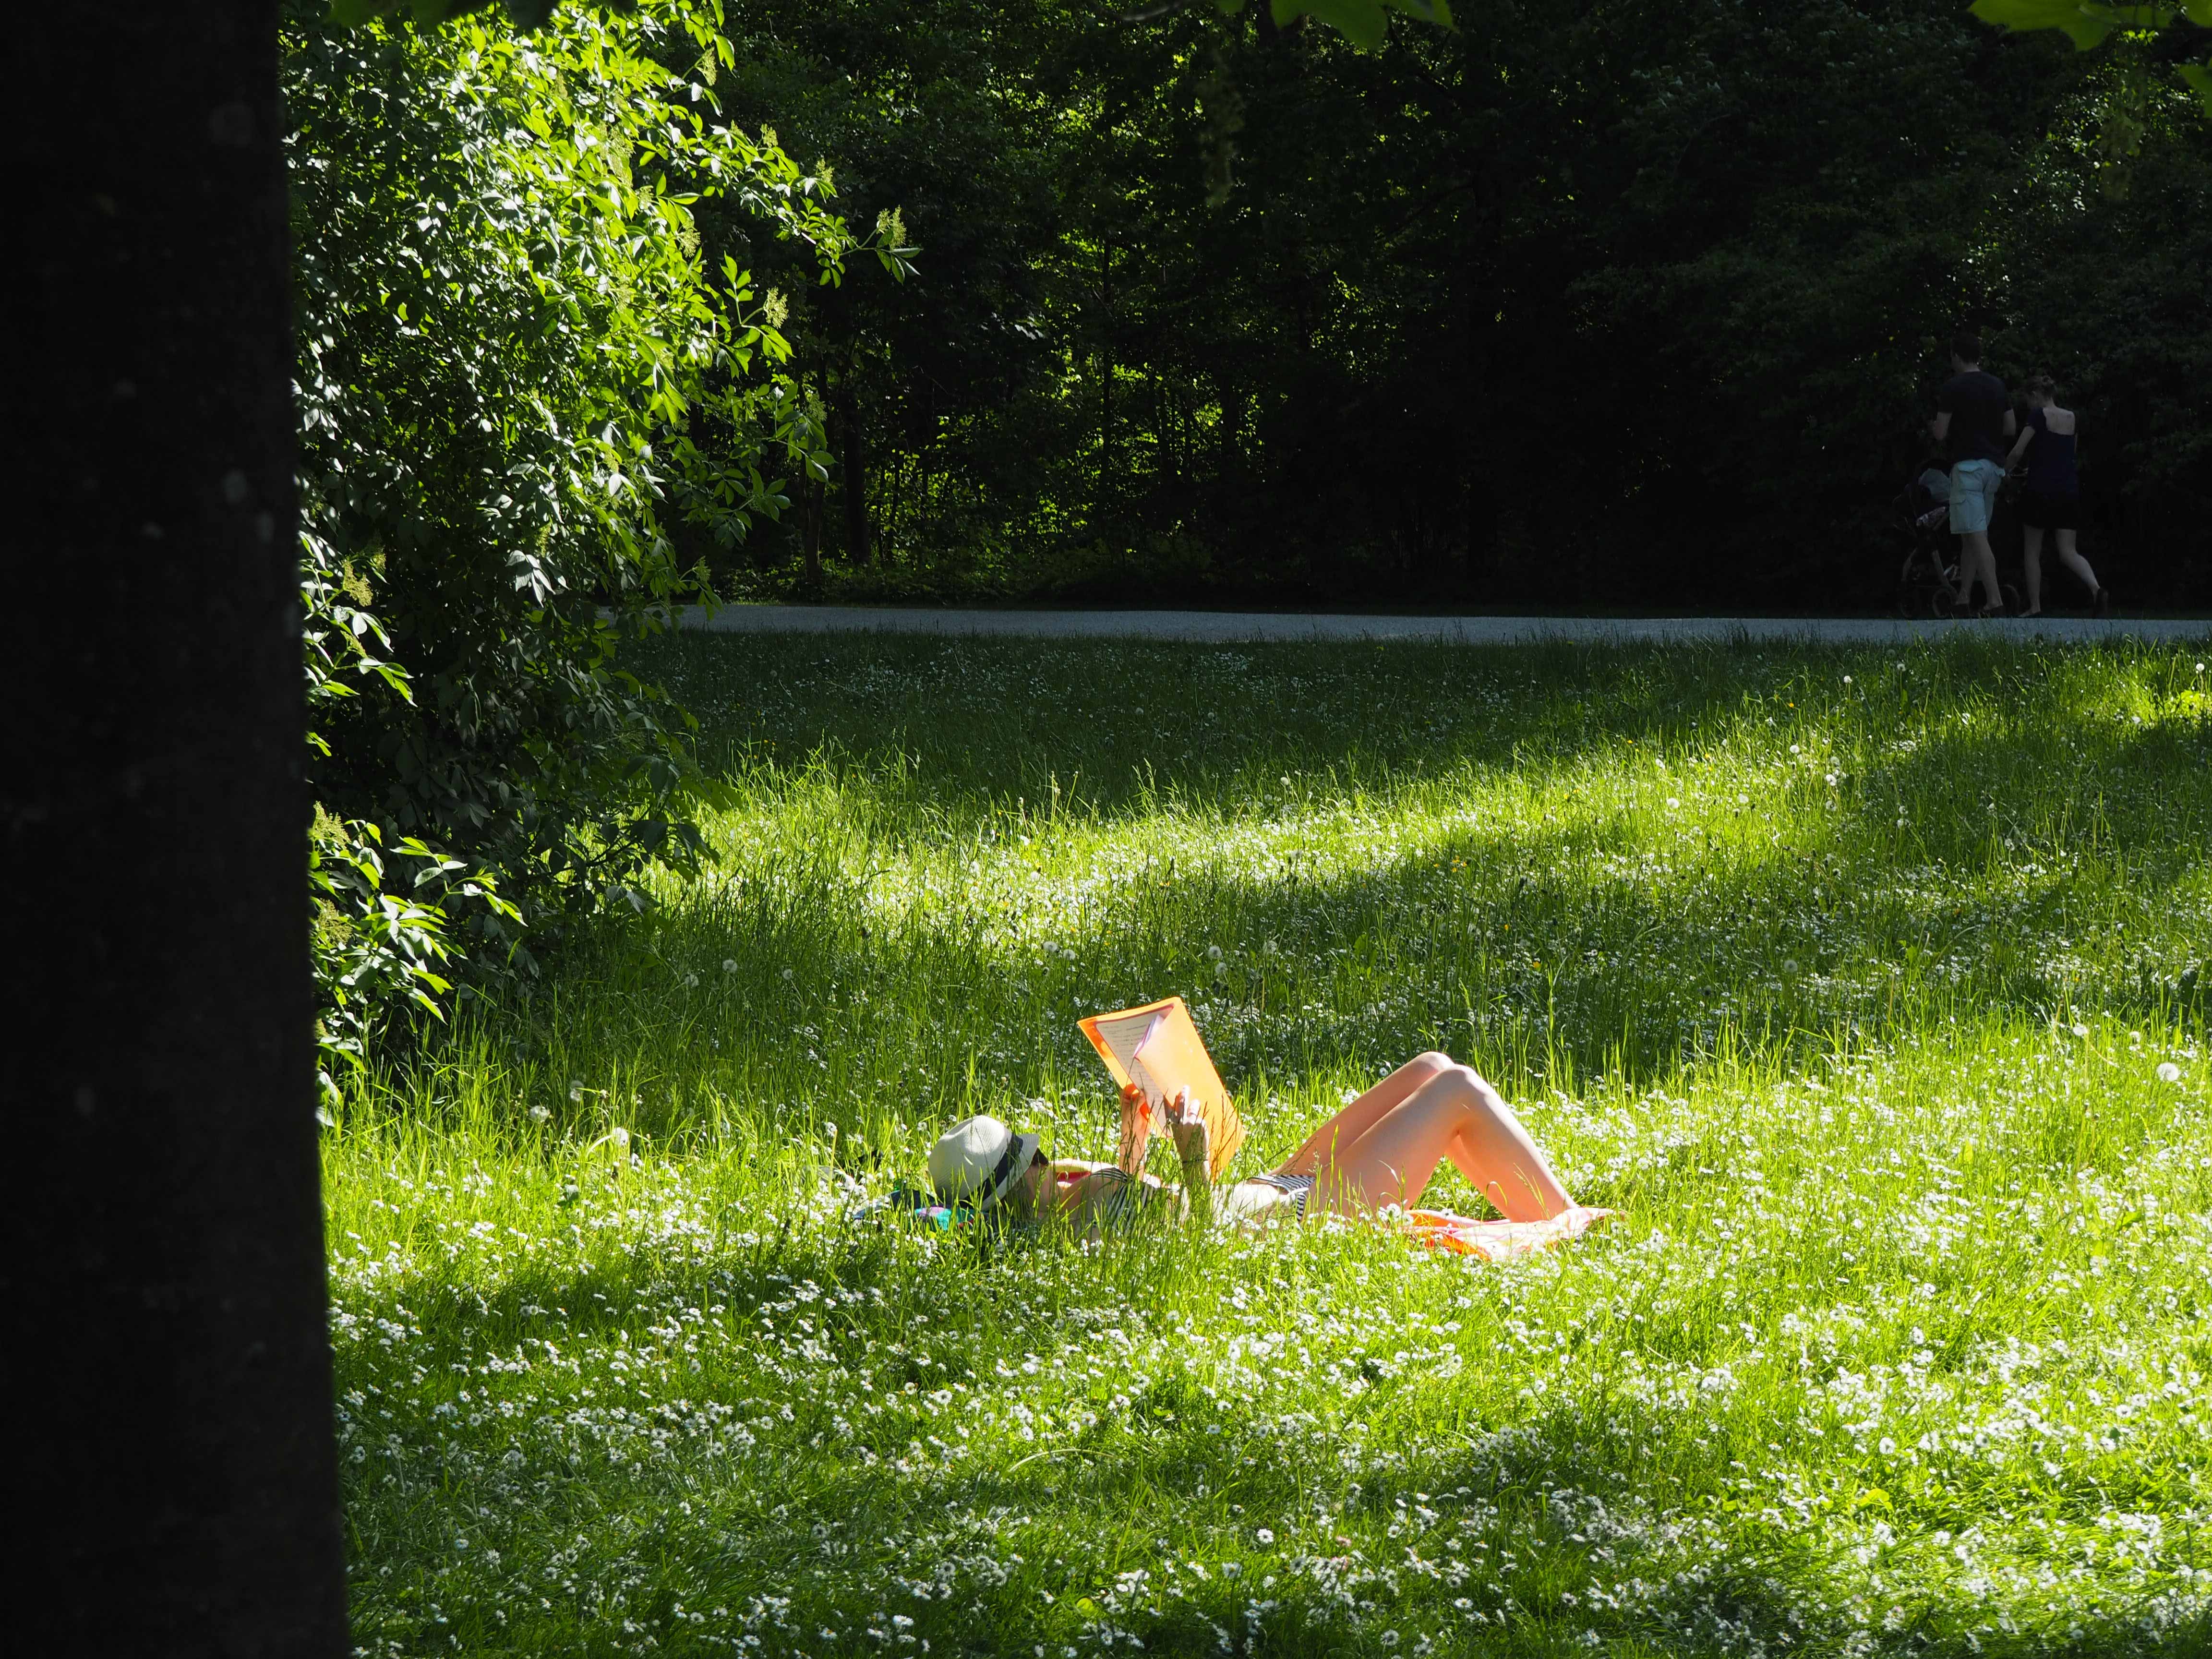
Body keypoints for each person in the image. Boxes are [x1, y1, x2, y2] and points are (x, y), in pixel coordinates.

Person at [923, 1051, 1576, 1238]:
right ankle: (1563, 1221)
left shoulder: (1064, 1207)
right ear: (1011, 1193)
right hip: (1305, 1214)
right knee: (1456, 1088)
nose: (1043, 1160)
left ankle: (1550, 1216)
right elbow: (1199, 1246)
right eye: (1028, 1161)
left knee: (1431, 1067)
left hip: (1274, 1186)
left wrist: (1133, 1141)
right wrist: (1192, 1154)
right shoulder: (1075, 1231)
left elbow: (1143, 1208)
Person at [2004, 373, 2110, 617]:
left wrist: (2004, 470)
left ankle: (2035, 607)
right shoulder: (2072, 418)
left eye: (2028, 400)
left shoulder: (2038, 416)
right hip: (2068, 492)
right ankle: (2096, 590)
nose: (2028, 406)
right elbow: (2067, 456)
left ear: (2035, 396)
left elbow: (2018, 451)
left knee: (2032, 551)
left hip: (2039, 491)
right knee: (2068, 552)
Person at [1928, 332, 2015, 615]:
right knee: (1970, 535)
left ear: (1956, 355)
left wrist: (1935, 427)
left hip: (1967, 468)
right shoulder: (1997, 385)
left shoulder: (1953, 387)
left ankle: (1995, 602)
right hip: (1993, 469)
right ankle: (1964, 598)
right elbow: (2010, 428)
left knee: (1977, 537)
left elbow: (1941, 433)